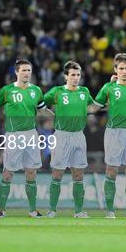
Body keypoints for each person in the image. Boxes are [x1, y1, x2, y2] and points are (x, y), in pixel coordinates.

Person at [94, 53, 126, 219]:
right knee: (111, 171)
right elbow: (94, 108)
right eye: (121, 68)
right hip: (114, 132)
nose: (124, 71)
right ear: (115, 69)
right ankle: (110, 211)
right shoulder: (108, 88)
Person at [0, 60, 48, 218]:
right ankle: (1, 210)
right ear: (17, 72)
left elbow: (42, 110)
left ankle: (33, 210)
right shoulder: (7, 90)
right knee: (8, 172)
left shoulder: (36, 90)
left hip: (31, 134)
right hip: (13, 135)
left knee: (31, 172)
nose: (27, 73)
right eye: (24, 70)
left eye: (29, 70)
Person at [44, 61, 95, 218]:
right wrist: (51, 116)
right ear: (65, 76)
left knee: (78, 175)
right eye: (72, 75)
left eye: (78, 75)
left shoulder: (84, 92)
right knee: (57, 173)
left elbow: (93, 108)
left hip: (79, 135)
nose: (75, 78)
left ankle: (79, 211)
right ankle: (52, 210)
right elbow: (40, 105)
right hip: (61, 135)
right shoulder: (57, 92)